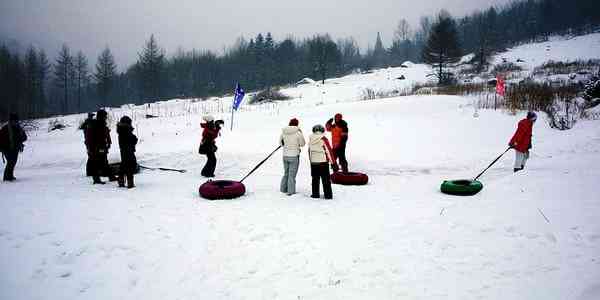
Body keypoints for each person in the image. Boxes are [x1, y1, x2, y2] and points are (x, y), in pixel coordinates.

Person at [86, 109, 116, 184]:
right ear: (101, 116)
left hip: (102, 147)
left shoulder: (103, 124)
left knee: (104, 162)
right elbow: (89, 138)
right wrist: (90, 148)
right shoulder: (94, 125)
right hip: (95, 148)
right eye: (105, 116)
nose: (106, 117)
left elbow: (106, 135)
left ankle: (111, 177)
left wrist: (109, 143)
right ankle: (96, 179)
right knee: (96, 163)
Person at [308, 124, 337, 199]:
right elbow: (329, 151)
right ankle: (328, 195)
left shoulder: (311, 139)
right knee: (326, 180)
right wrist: (333, 163)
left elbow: (309, 151)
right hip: (323, 162)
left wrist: (311, 160)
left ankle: (315, 194)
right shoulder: (323, 138)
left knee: (315, 179)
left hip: (314, 162)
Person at [280, 118, 305, 196]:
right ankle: (290, 191)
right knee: (292, 174)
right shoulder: (298, 133)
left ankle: (283, 189)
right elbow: (302, 144)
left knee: (286, 173)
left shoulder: (283, 132)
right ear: (297, 124)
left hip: (285, 155)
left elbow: (281, 144)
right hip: (294, 156)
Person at [0, 113, 27, 182]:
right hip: (6, 149)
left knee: (13, 162)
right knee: (10, 162)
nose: (16, 122)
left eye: (16, 121)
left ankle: (10, 176)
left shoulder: (19, 128)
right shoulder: (5, 128)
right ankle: (6, 178)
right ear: (11, 121)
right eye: (14, 121)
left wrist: (20, 140)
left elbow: (24, 137)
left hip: (15, 148)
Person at [116, 116, 138, 188]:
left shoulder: (122, 130)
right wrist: (134, 138)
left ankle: (121, 181)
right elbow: (132, 140)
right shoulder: (126, 130)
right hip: (128, 150)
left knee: (124, 165)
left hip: (125, 150)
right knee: (130, 165)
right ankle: (129, 183)